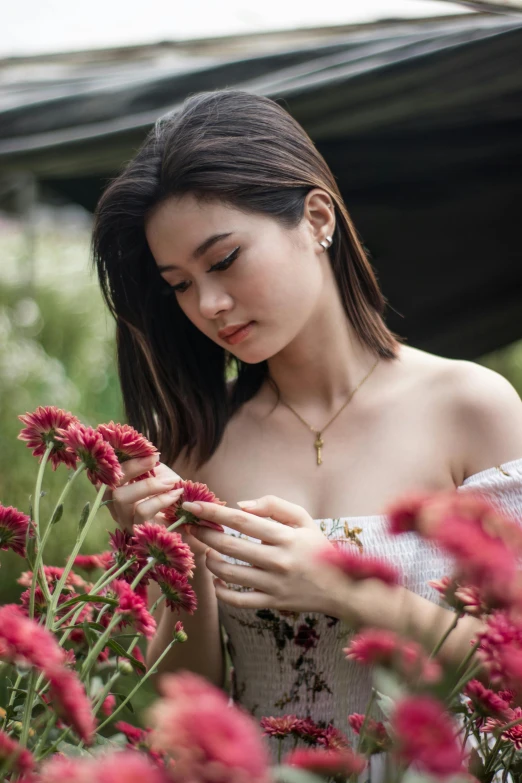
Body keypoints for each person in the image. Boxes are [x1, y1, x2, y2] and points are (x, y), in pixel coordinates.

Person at [92, 89, 522, 776]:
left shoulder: (470, 405)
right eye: (179, 283)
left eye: (225, 259)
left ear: (316, 216)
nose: (209, 304)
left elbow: (515, 662)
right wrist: (172, 558)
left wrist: (347, 588)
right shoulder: (196, 442)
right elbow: (191, 701)